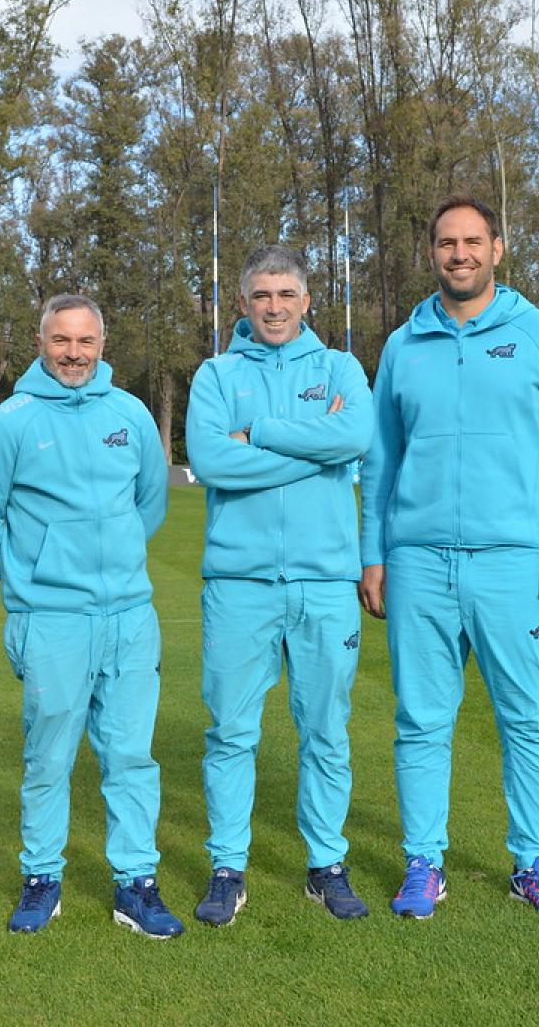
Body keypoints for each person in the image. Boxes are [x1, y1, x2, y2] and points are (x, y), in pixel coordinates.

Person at [359, 194, 539, 921]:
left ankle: (533, 861)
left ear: (497, 248)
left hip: (513, 563)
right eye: (445, 243)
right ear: (431, 254)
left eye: (472, 241)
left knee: (527, 717)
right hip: (420, 563)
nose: (458, 254)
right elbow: (380, 458)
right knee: (421, 720)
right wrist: (375, 553)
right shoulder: (403, 344)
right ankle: (423, 862)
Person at [0, 293, 184, 939]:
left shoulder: (130, 414)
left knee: (131, 757)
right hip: (51, 621)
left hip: (129, 619)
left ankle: (136, 886)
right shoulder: (10, 422)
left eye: (85, 341)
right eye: (62, 340)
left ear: (101, 345)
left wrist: (111, 568)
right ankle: (41, 880)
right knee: (48, 757)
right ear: (41, 343)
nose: (74, 353)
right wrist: (36, 578)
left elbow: (149, 503)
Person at [185, 244, 374, 926]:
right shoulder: (214, 373)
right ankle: (227, 867)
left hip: (325, 582)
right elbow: (211, 460)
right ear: (243, 303)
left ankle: (326, 865)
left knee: (325, 730)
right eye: (261, 295)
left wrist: (260, 434)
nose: (273, 307)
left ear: (306, 300)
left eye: (285, 295)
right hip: (239, 583)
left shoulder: (340, 367)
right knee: (232, 732)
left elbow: (357, 433)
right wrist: (315, 454)